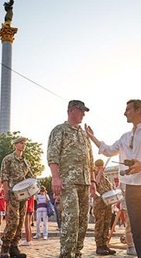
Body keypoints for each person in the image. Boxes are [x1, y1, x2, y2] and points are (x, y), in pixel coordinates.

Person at [86, 99, 141, 258]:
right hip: (131, 187)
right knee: (137, 229)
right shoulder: (125, 136)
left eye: (128, 109)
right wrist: (92, 137)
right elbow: (108, 150)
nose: (125, 113)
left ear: (139, 110)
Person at [49, 100, 96, 258]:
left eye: (84, 111)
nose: (83, 114)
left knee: (83, 222)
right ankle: (66, 254)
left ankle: (77, 253)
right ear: (71, 111)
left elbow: (90, 159)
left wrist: (93, 181)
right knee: (71, 220)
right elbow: (53, 155)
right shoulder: (60, 130)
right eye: (81, 111)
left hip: (85, 183)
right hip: (68, 182)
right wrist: (55, 178)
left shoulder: (84, 134)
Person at [0, 136, 34, 258]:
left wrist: (33, 189)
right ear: (15, 145)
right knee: (13, 221)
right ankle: (5, 248)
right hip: (13, 193)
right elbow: (4, 176)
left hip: (23, 195)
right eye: (21, 143)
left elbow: (31, 177)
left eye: (25, 143)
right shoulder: (8, 159)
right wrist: (6, 191)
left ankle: (14, 247)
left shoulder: (26, 162)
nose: (23, 145)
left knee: (20, 221)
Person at [92, 159, 117, 256]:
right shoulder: (94, 175)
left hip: (107, 204)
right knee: (100, 224)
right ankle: (99, 246)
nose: (100, 168)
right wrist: (99, 173)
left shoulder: (105, 176)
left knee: (106, 224)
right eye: (99, 167)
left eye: (101, 166)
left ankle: (105, 244)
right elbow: (94, 184)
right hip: (99, 204)